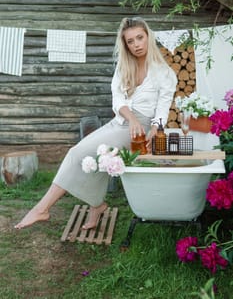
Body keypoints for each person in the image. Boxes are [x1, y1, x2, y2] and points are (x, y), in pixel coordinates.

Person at [15, 16, 177, 230]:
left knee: (77, 152)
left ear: (148, 37)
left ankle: (42, 209)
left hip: (140, 131)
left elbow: (163, 108)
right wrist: (131, 118)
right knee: (95, 157)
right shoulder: (123, 66)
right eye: (131, 41)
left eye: (140, 38)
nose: (137, 44)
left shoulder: (163, 72)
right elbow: (117, 100)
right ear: (125, 45)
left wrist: (154, 129)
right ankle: (97, 206)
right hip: (122, 123)